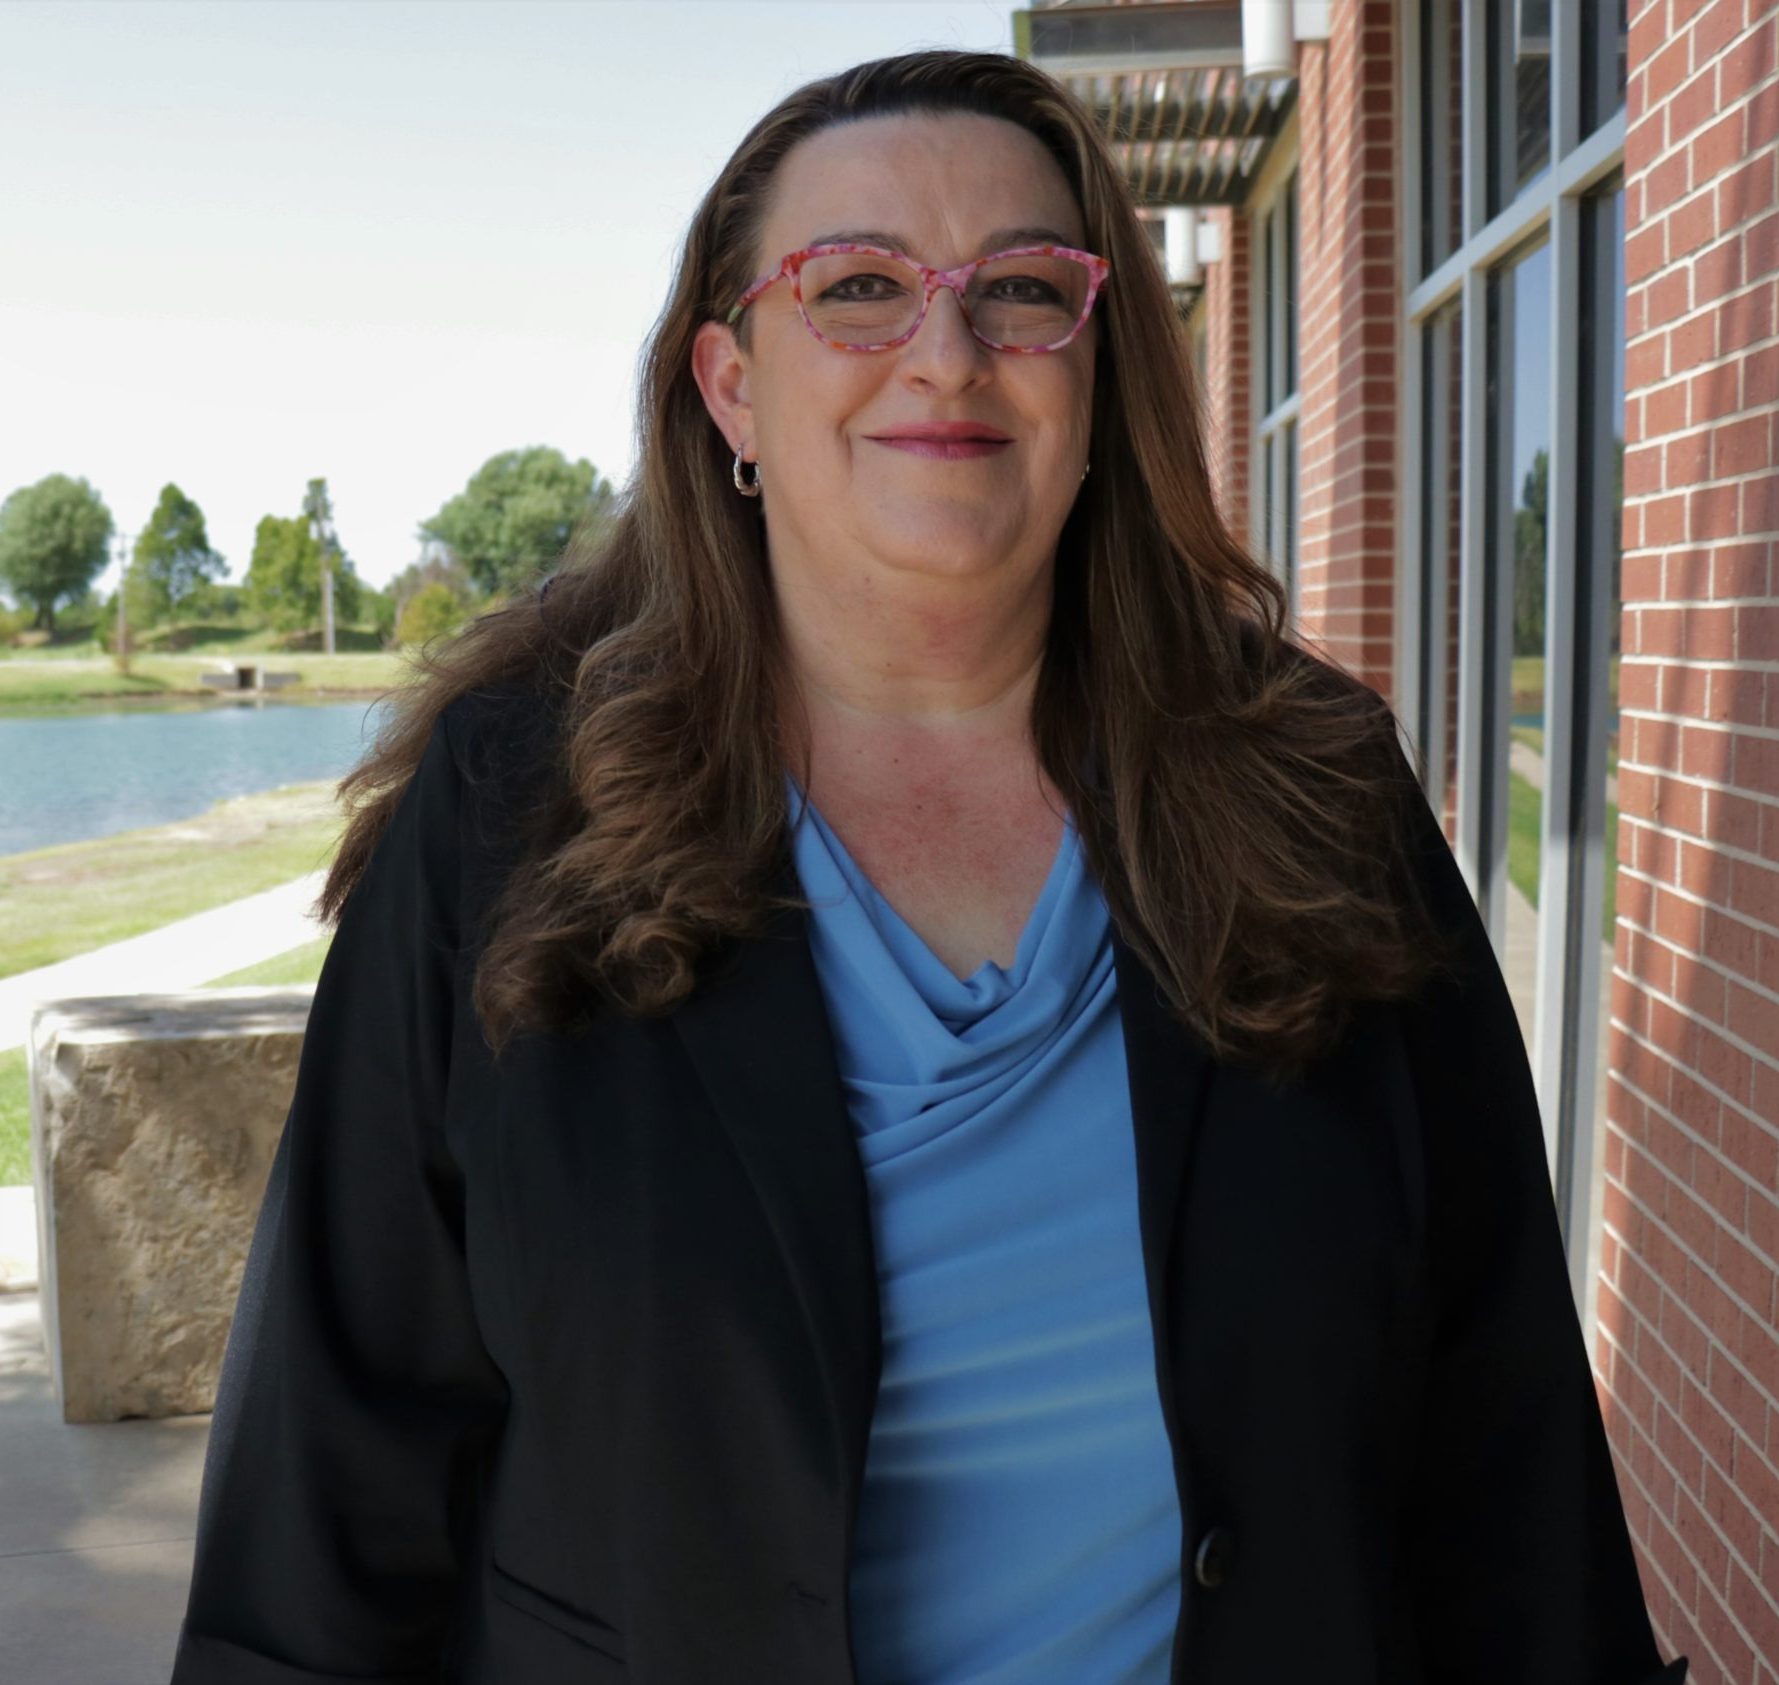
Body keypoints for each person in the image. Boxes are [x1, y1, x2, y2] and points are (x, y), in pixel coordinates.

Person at [167, 48, 1687, 1685]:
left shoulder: (1311, 795)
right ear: (732, 386)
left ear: (1097, 374)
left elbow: (1505, 1456)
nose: (947, 353)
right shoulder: (509, 819)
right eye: (861, 287)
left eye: (1023, 289)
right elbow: (322, 1517)